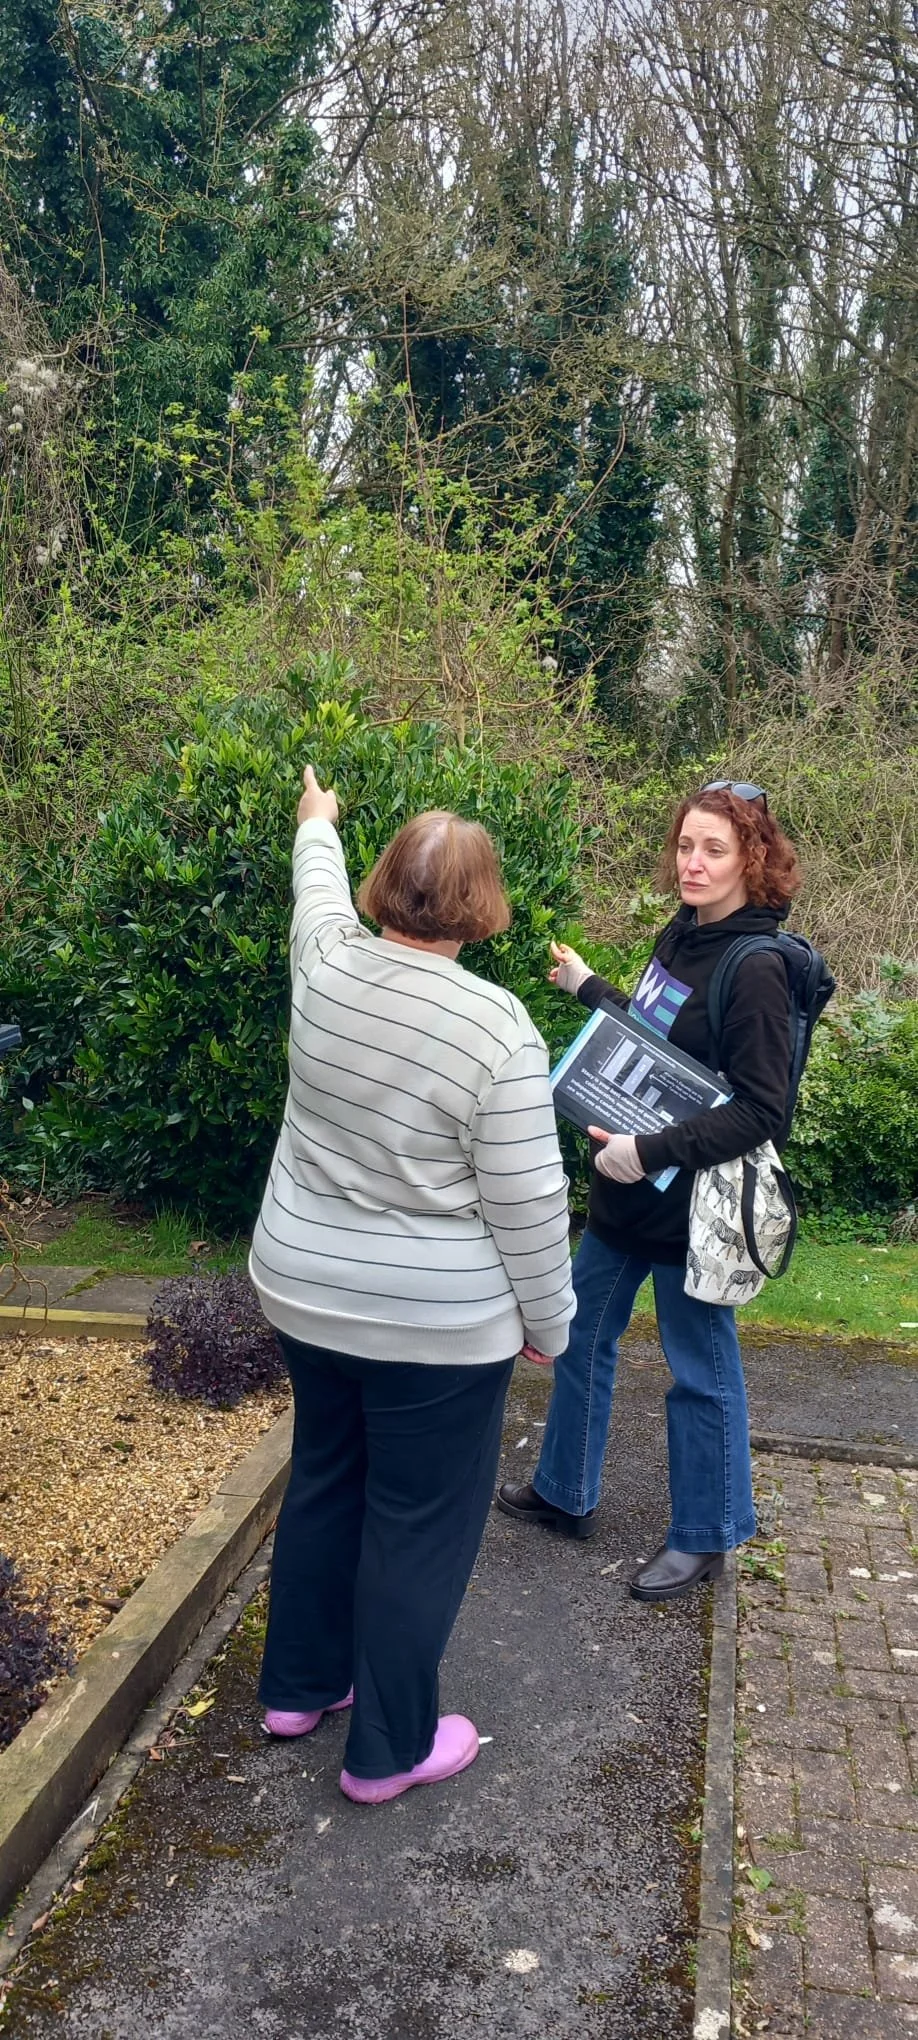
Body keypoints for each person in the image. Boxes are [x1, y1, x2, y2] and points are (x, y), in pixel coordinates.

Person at [249, 766, 575, 1802]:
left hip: (304, 1297)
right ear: (482, 908)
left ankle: (298, 1690)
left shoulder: (327, 967)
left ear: (383, 883)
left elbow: (314, 893)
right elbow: (528, 1208)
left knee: (326, 1481)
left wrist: (317, 820)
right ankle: (389, 1750)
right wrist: (551, 1328)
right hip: (435, 1331)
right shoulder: (497, 1032)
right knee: (416, 1524)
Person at [497, 780, 802, 1600]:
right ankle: (565, 1494)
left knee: (699, 1373)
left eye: (714, 849)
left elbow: (763, 1111)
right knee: (576, 1338)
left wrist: (651, 1148)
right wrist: (592, 989)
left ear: (754, 860)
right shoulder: (683, 934)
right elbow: (661, 1041)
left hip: (690, 1215)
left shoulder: (759, 966)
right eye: (684, 845)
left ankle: (707, 1535)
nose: (692, 864)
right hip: (626, 1196)